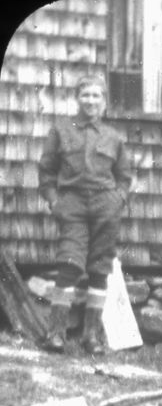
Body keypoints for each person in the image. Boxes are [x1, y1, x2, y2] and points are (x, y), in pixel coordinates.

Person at [38, 74, 133, 355]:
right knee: (70, 263)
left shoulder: (113, 137)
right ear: (77, 98)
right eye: (86, 95)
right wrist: (55, 202)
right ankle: (55, 334)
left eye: (96, 96)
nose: (91, 101)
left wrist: (118, 199)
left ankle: (91, 337)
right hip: (73, 205)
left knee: (99, 269)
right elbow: (46, 171)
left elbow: (124, 177)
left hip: (106, 207)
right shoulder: (61, 130)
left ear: (104, 101)